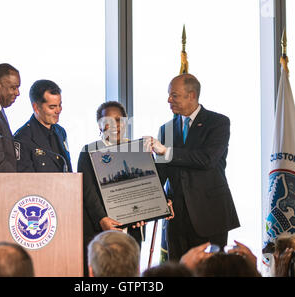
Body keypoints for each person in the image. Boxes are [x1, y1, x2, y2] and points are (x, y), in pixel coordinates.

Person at [146, 73, 240, 261]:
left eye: (174, 95)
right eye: (169, 95)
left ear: (192, 96)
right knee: (178, 271)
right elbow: (161, 172)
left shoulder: (219, 123)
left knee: (210, 272)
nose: (168, 100)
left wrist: (166, 151)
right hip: (176, 220)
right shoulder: (166, 129)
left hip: (209, 215)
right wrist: (157, 198)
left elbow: (207, 159)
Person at [77, 101, 171, 276]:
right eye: (108, 120)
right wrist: (102, 219)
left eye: (119, 120)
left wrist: (154, 208)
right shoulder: (88, 151)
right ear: (99, 124)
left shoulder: (138, 149)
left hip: (133, 227)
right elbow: (88, 192)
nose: (114, 126)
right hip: (100, 228)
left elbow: (148, 184)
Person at [14, 79, 72, 172]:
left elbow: (67, 168)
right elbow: (24, 180)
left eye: (59, 105)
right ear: (36, 107)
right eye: (52, 107)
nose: (58, 110)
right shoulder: (23, 138)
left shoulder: (61, 132)